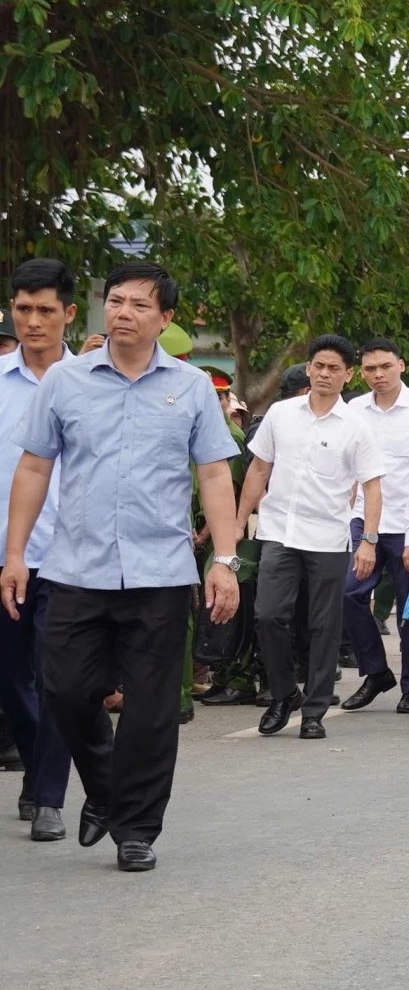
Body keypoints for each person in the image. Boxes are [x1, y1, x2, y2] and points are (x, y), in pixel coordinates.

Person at [2, 262, 242, 872]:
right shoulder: (66, 381)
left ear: (165, 319)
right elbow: (34, 468)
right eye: (115, 301)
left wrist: (225, 560)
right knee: (64, 689)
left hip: (160, 573)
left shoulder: (190, 387)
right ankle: (107, 788)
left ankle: (136, 828)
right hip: (75, 569)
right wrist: (14, 555)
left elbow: (214, 473)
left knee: (153, 707)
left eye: (140, 304)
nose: (123, 312)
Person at [235, 335, 384, 740]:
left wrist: (368, 539)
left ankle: (315, 709)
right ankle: (284, 694)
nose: (324, 374)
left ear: (347, 375)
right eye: (319, 365)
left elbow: (372, 486)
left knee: (323, 627)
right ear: (310, 368)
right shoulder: (281, 415)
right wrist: (236, 523)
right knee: (268, 615)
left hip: (327, 538)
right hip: (279, 531)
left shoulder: (357, 427)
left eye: (334, 368)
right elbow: (258, 471)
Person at [0, 258, 77, 841]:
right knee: (9, 677)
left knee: (61, 680)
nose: (32, 321)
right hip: (7, 557)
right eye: (23, 309)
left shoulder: (92, 383)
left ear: (68, 314)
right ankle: (34, 767)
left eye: (45, 310)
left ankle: (49, 794)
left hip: (73, 558)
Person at [341, 338, 409, 713]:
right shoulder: (353, 408)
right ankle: (375, 672)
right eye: (370, 369)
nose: (378, 375)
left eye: (385, 366)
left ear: (401, 365)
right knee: (349, 594)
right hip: (362, 520)